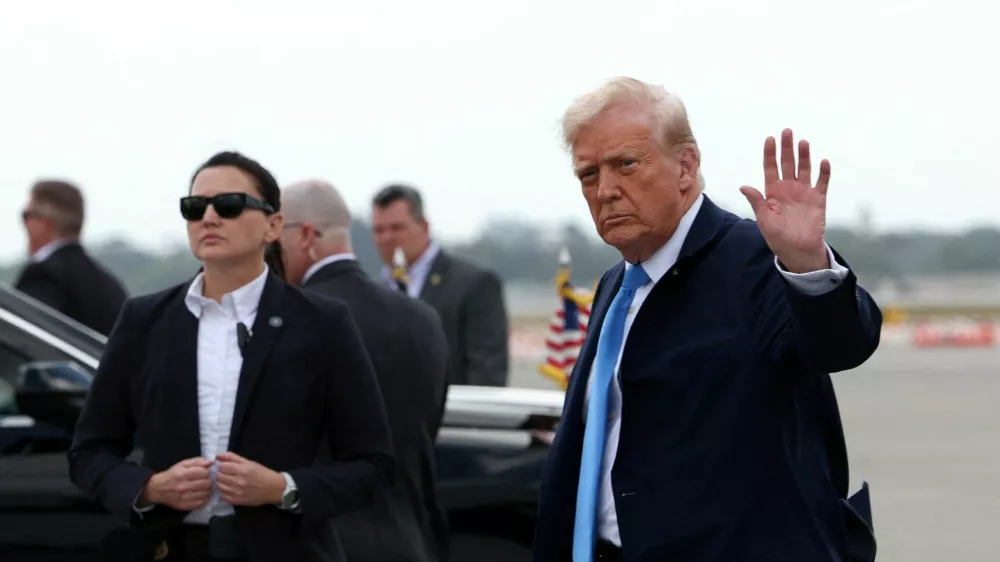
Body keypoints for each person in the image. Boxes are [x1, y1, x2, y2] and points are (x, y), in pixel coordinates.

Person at [533, 77, 882, 562]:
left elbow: (843, 343)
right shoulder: (618, 284)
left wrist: (807, 264)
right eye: (588, 174)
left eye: (626, 164)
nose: (606, 190)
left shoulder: (758, 260)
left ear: (686, 166)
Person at [68, 151, 394, 562]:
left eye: (228, 205)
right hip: (172, 548)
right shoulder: (143, 320)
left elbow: (373, 464)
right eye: (195, 207)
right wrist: (150, 488)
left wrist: (282, 488)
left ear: (273, 225)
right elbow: (89, 452)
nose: (208, 217)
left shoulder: (322, 323)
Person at [279, 178, 451, 562]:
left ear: (305, 235)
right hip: (411, 541)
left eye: (275, 234)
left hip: (321, 542)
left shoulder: (291, 317)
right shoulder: (422, 317)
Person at [371, 184, 509, 387]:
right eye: (378, 230)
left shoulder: (474, 285)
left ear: (424, 227)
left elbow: (486, 375)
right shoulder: (372, 291)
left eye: (397, 228)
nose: (387, 238)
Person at [15, 179, 127, 335]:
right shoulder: (111, 286)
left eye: (26, 216)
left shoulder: (43, 277)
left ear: (44, 223)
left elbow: (23, 338)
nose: (24, 224)